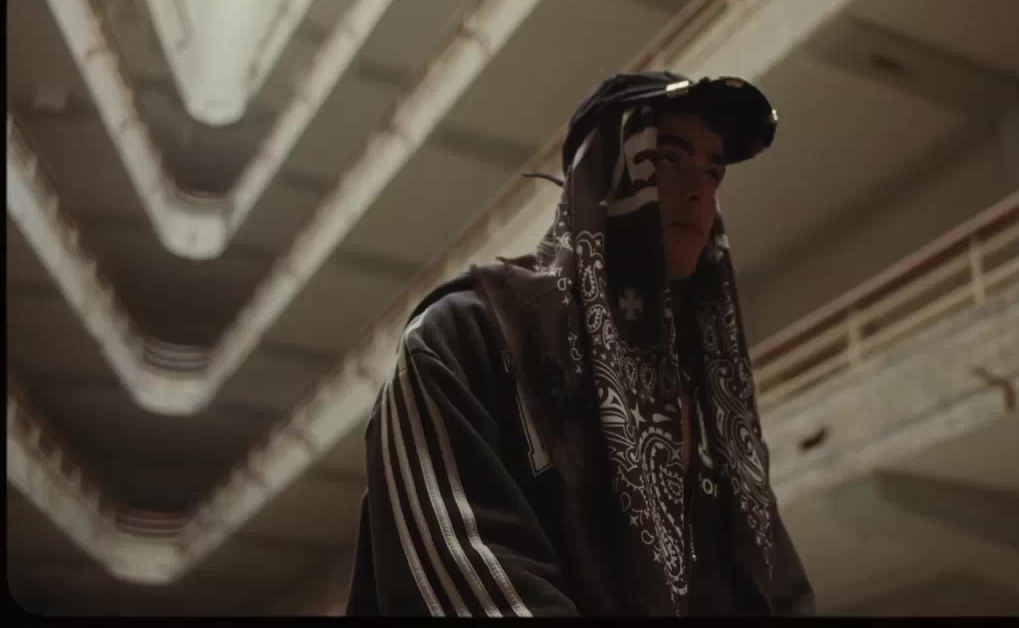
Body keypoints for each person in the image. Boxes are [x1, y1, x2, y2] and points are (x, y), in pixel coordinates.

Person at [345, 71, 815, 616]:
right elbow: (465, 588)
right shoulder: (466, 339)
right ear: (602, 174)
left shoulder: (711, 400)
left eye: (714, 171)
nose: (700, 192)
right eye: (669, 158)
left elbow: (778, 592)